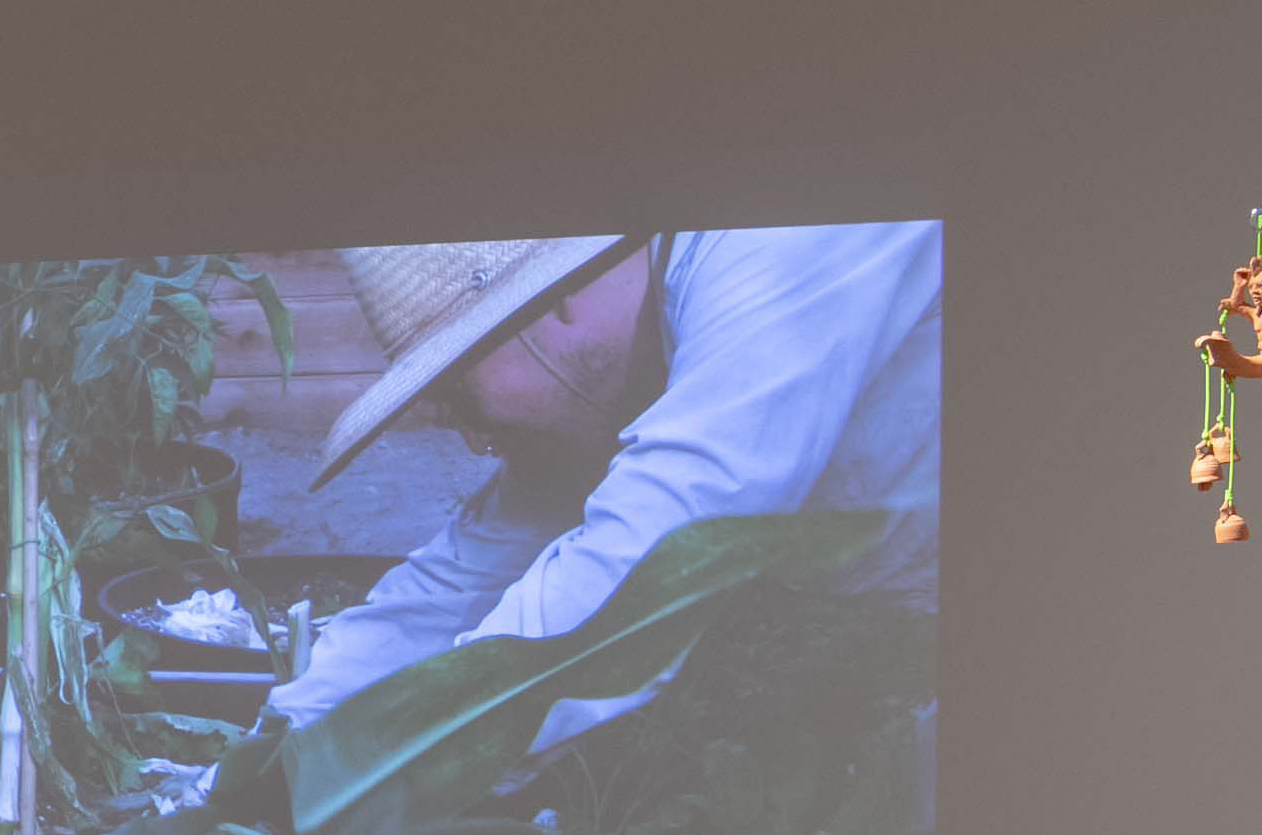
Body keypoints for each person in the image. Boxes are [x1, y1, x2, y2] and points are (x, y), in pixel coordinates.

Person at [264, 223, 945, 742]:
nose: (474, 438)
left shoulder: (778, 249)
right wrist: (282, 745)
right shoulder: (611, 375)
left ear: (554, 307)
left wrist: (372, 774)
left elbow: (647, 559)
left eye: (460, 394)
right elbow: (459, 579)